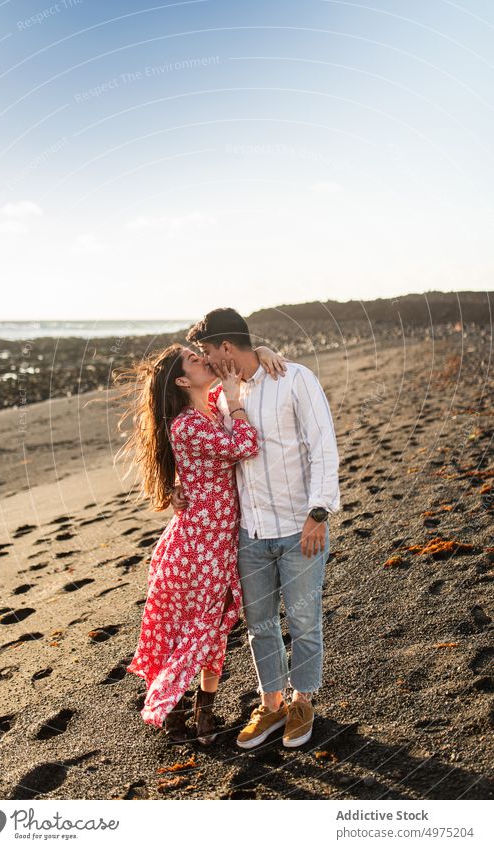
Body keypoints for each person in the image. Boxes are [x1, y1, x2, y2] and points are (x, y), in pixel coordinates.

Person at [172, 308, 340, 749]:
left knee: (304, 621)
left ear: (226, 347)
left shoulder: (293, 378)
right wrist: (179, 485)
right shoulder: (221, 397)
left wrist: (319, 512)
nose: (205, 360)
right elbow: (203, 447)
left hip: (299, 527)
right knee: (260, 625)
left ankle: (303, 702)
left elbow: (323, 446)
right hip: (249, 534)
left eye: (208, 351)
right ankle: (272, 704)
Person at [113, 342, 285, 744]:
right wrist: (237, 406)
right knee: (198, 627)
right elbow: (245, 446)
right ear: (181, 380)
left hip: (221, 541)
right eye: (193, 359)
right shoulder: (187, 424)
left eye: (198, 353)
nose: (202, 359)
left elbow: (236, 357)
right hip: (197, 546)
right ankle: (173, 713)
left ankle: (203, 711)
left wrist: (260, 348)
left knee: (217, 626)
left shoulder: (210, 402)